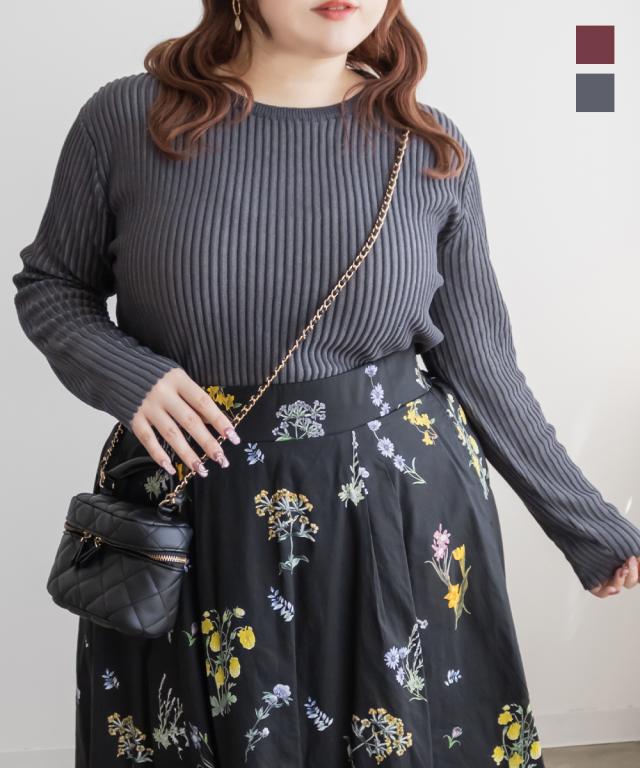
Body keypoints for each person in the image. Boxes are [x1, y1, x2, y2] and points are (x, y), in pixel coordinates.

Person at [12, 1, 640, 766]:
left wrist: (588, 525)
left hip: (397, 518)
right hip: (195, 511)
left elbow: (481, 363)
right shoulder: (129, 119)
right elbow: (53, 287)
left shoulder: (428, 145)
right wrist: (131, 378)